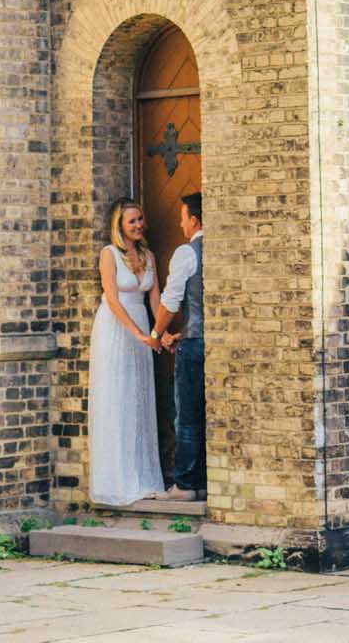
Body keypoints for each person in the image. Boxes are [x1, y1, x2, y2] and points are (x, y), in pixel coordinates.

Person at [87, 198, 165, 505]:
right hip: (116, 328)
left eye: (140, 219)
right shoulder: (109, 254)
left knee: (138, 397)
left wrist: (159, 331)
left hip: (143, 327)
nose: (138, 225)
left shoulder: (148, 255)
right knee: (117, 396)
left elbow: (155, 298)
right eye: (131, 221)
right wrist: (137, 333)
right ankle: (117, 481)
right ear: (119, 225)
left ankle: (143, 478)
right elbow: (112, 298)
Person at [154, 190, 205, 500]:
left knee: (186, 415)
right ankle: (201, 482)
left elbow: (171, 300)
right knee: (207, 415)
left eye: (183, 218)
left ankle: (185, 484)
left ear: (194, 220)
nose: (180, 224)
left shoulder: (188, 252)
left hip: (194, 344)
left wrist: (157, 332)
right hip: (213, 339)